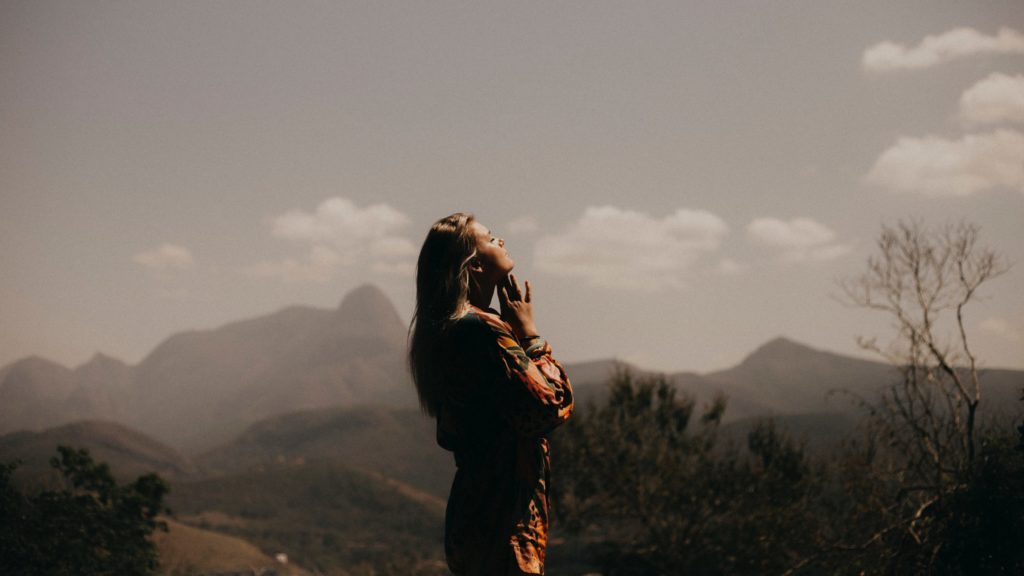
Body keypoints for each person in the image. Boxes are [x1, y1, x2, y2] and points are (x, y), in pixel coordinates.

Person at [409, 212, 574, 575]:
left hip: (474, 518)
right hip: (504, 520)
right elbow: (551, 406)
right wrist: (531, 337)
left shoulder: (449, 334)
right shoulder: (482, 331)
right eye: (490, 237)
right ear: (475, 264)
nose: (500, 240)